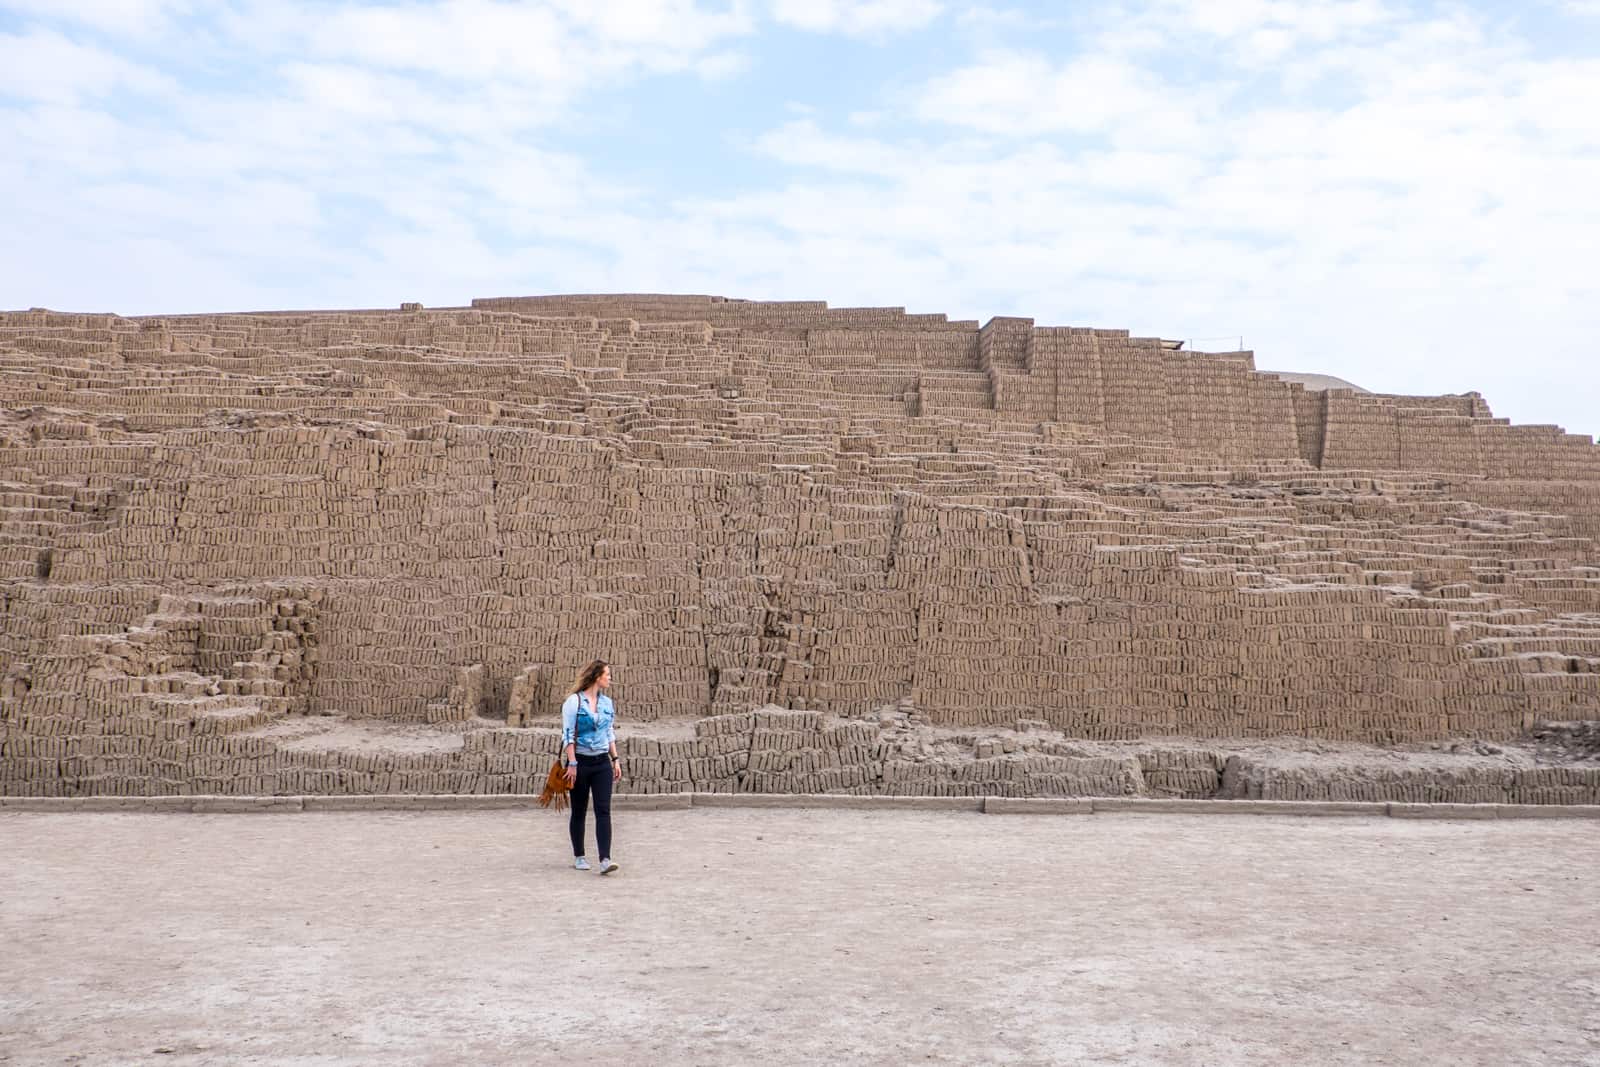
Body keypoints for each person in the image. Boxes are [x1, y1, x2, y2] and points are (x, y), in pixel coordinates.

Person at [561, 659, 622, 874]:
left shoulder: (607, 704)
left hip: (601, 763)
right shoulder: (573, 702)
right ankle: (579, 855)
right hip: (580, 763)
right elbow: (568, 735)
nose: (610, 678)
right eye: (607, 674)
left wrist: (615, 759)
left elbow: (609, 733)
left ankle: (605, 859)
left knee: (603, 810)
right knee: (578, 811)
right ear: (597, 676)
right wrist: (573, 764)